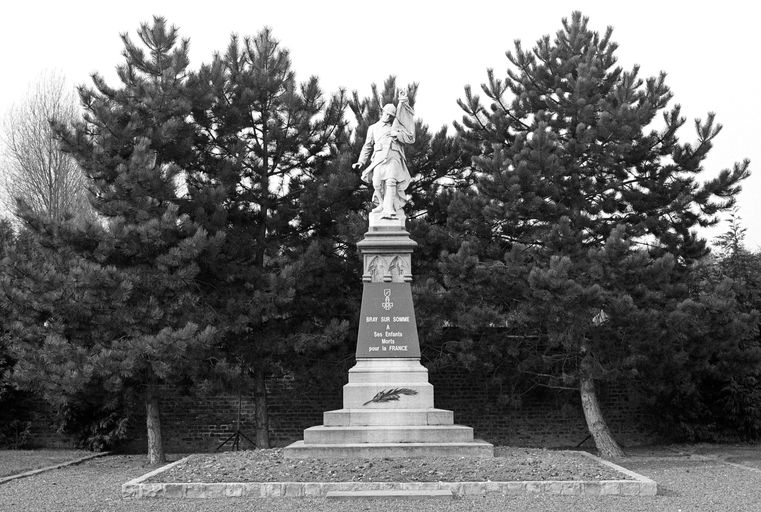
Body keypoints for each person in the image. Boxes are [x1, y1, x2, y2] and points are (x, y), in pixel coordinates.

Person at [352, 90, 415, 219]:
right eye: (387, 114)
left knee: (391, 181)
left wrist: (397, 135)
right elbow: (367, 146)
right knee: (376, 184)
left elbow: (410, 138)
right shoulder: (373, 128)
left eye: (391, 115)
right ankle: (381, 204)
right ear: (382, 112)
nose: (388, 117)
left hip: (393, 156)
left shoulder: (396, 127)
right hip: (379, 158)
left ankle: (389, 209)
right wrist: (361, 161)